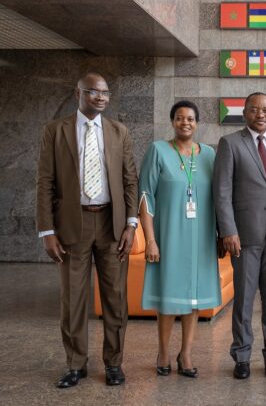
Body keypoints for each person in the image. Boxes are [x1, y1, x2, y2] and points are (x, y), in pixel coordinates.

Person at [36, 72, 138, 388]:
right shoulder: (56, 131)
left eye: (105, 92)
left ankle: (114, 364)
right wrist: (47, 231)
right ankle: (75, 364)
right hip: (71, 225)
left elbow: (130, 181)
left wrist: (131, 224)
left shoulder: (119, 132)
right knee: (73, 299)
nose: (101, 97)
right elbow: (45, 183)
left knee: (115, 298)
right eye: (94, 91)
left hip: (112, 224)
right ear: (77, 92)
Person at [213, 92, 266, 379]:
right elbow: (222, 192)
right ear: (245, 112)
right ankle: (241, 357)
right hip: (245, 235)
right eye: (254, 109)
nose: (260, 114)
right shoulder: (230, 143)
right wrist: (228, 230)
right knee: (244, 301)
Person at [139, 100, 222, 378]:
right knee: (168, 296)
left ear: (197, 123)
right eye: (179, 118)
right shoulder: (158, 150)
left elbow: (220, 198)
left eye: (190, 119)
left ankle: (185, 353)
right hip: (169, 234)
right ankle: (163, 351)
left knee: (194, 298)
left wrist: (222, 234)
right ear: (172, 121)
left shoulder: (209, 154)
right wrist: (150, 239)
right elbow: (145, 196)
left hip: (201, 238)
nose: (185, 122)